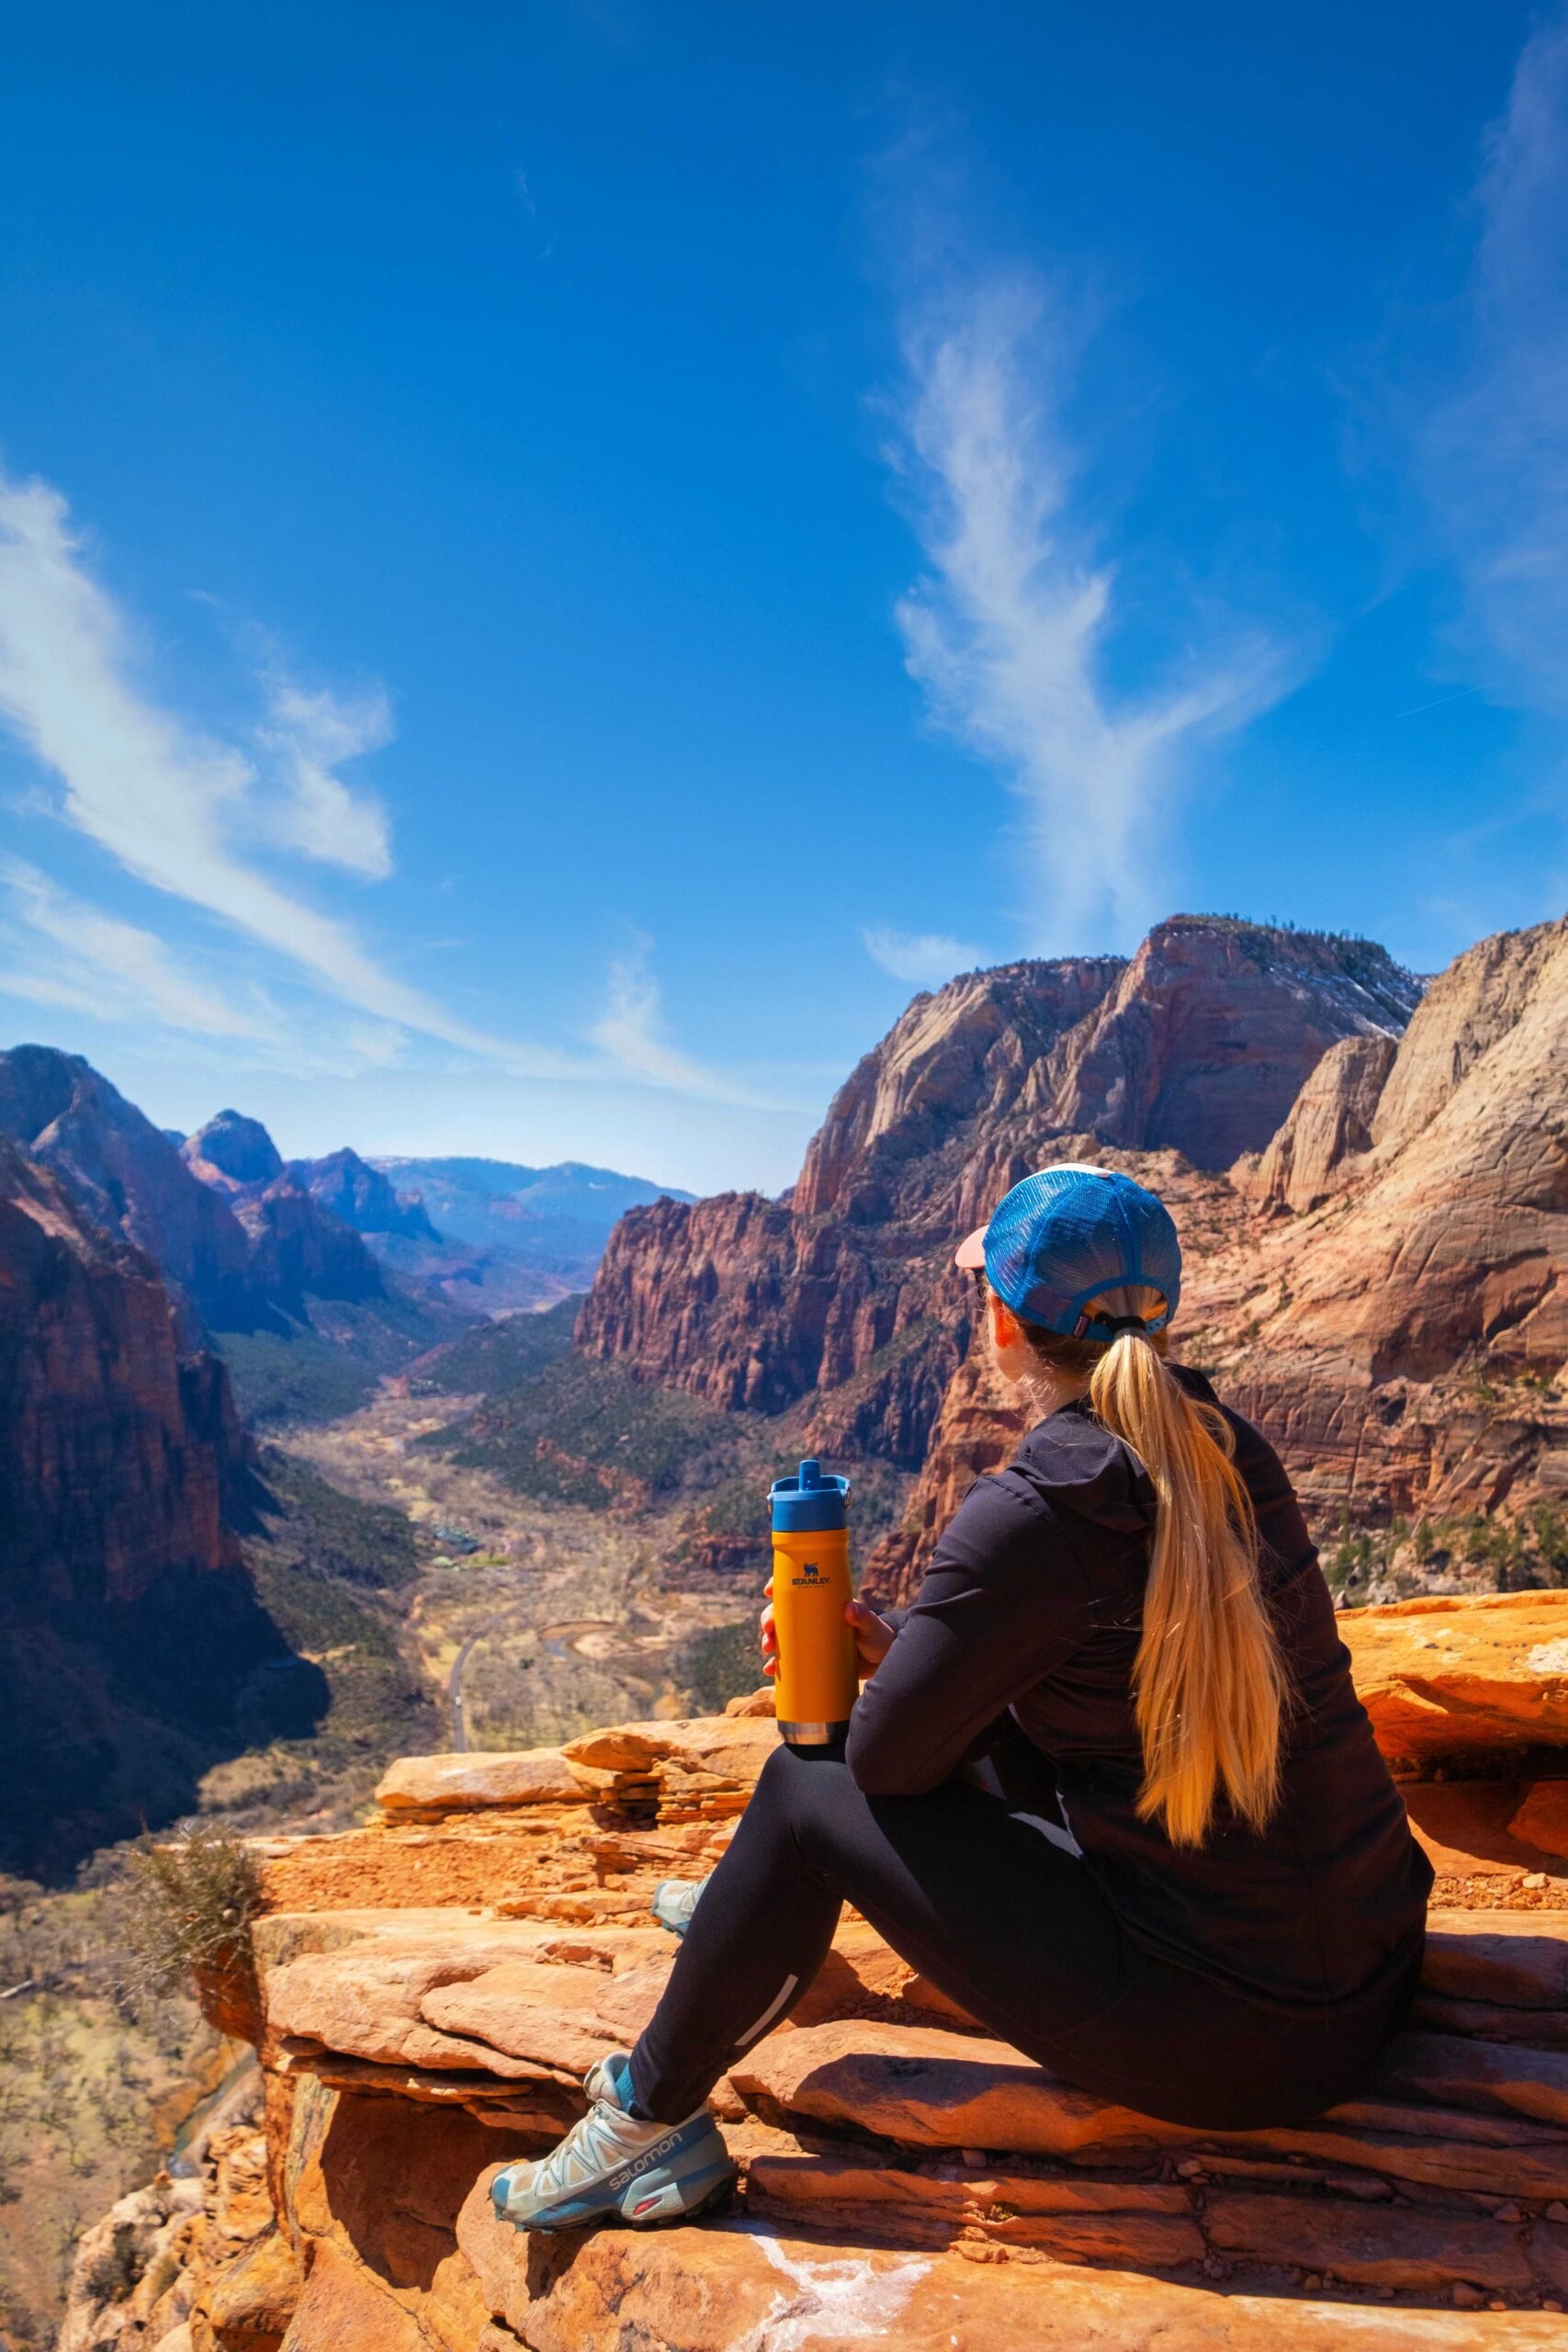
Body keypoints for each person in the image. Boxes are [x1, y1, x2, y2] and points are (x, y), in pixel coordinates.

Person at [489, 1164, 1432, 2234]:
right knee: (881, 1763)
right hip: (1370, 1966)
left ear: (1003, 1315)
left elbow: (879, 1774)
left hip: (1237, 2042)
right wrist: (910, 1655)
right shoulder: (1228, 1450)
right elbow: (1103, 1698)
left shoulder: (1034, 1507)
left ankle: (645, 2118)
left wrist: (860, 1678)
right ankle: (745, 1922)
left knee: (805, 1790)